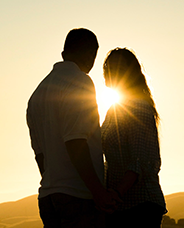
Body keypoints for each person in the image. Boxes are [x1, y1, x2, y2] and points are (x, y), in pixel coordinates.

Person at [27, 28, 120, 228]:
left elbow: (40, 155)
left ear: (64, 53)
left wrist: (56, 182)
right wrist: (98, 192)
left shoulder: (37, 95)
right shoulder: (80, 82)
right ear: (91, 54)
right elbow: (76, 142)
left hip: (48, 198)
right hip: (78, 198)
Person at [99, 48, 167, 227]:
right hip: (120, 205)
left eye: (108, 70)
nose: (105, 77)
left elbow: (139, 161)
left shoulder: (138, 109)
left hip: (140, 205)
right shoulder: (113, 110)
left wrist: (116, 194)